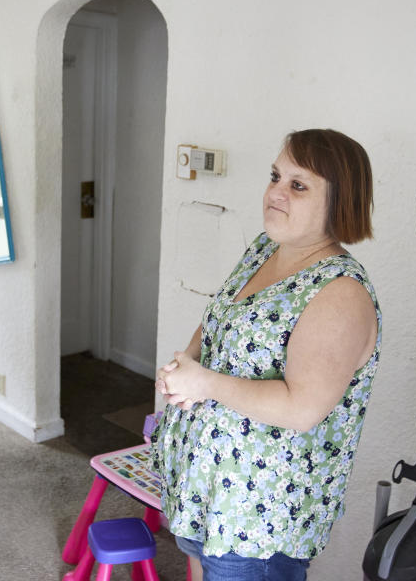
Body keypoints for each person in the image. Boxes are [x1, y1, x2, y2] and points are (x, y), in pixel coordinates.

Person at [152, 129, 380, 581]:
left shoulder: (340, 293)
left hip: (258, 520)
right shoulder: (265, 249)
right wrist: (187, 362)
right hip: (208, 490)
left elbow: (302, 408)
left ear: (340, 202)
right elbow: (222, 314)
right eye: (276, 176)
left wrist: (205, 383)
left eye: (298, 185)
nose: (275, 192)